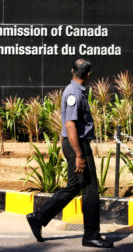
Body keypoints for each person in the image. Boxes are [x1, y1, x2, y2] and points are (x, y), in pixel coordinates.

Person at [26, 59, 114, 248]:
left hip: (74, 144)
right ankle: (91, 235)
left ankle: (38, 218)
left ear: (72, 71)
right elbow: (70, 124)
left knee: (74, 186)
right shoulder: (74, 93)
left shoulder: (73, 90)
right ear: (89, 74)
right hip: (77, 146)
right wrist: (79, 155)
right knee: (90, 189)